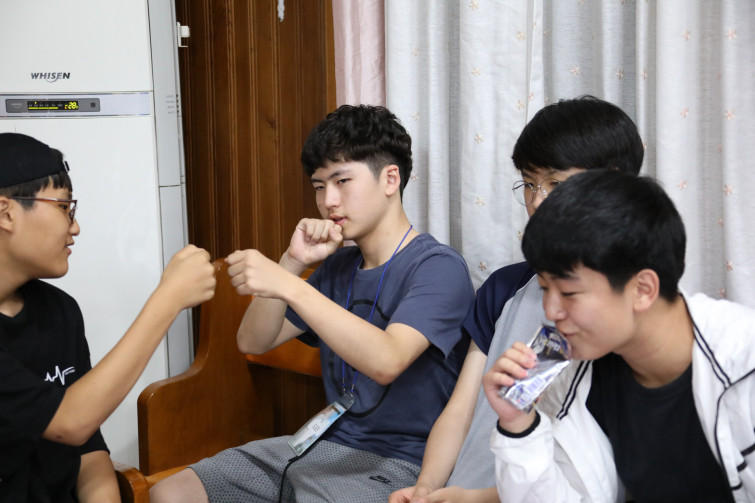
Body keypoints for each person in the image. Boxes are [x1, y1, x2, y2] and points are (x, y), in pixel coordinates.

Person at [150, 104, 475, 503]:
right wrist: (292, 262)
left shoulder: (438, 267)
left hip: (397, 464)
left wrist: (292, 287)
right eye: (319, 186)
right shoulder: (338, 265)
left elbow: (388, 361)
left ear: (390, 179)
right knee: (172, 492)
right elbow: (253, 341)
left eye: (342, 181)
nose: (328, 201)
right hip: (316, 445)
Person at [391, 96, 644, 503]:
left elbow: (591, 479)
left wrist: (471, 499)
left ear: (611, 186)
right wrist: (427, 487)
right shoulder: (505, 288)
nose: (538, 201)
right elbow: (462, 411)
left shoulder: (622, 316)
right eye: (529, 184)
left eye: (556, 184)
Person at [484, 169, 754, 502]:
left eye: (568, 292)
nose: (551, 311)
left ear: (643, 289)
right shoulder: (569, 371)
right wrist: (518, 425)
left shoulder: (745, 361)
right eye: (544, 289)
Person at [0, 132, 216, 502]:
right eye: (63, 207)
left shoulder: (59, 310)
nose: (75, 227)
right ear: (6, 213)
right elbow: (70, 422)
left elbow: (87, 446)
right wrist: (167, 301)